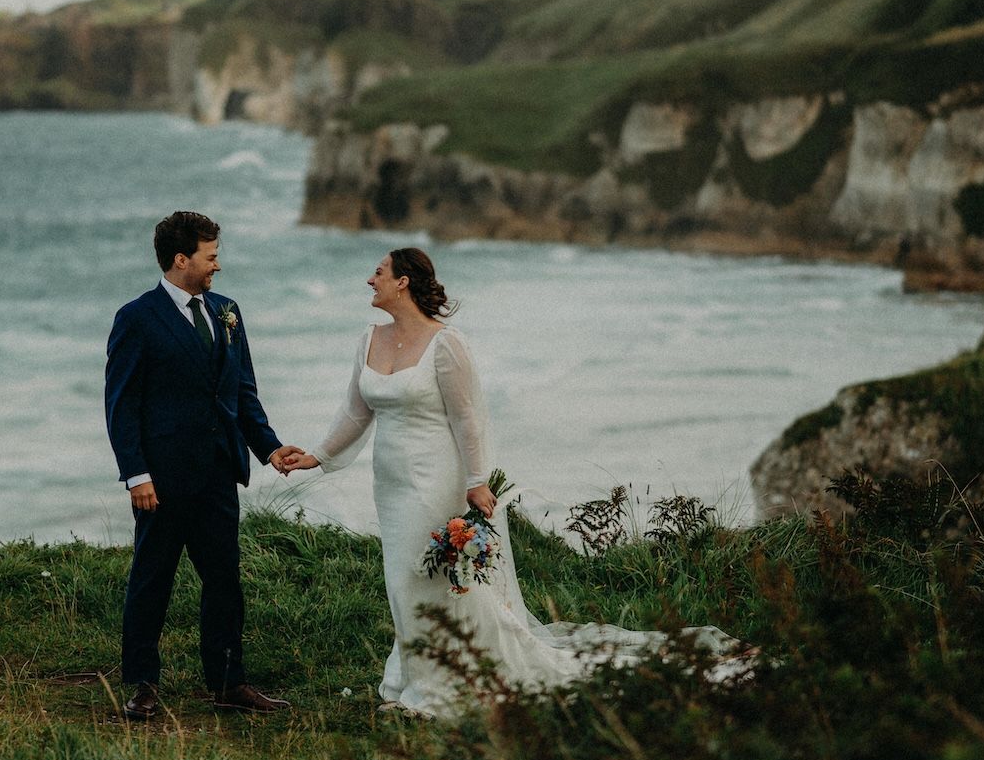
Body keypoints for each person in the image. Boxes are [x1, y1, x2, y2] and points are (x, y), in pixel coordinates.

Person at [279, 246, 745, 717]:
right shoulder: (370, 339)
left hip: (436, 480)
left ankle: (449, 682)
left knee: (437, 577)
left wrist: (478, 482)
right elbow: (355, 413)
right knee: (401, 579)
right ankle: (413, 674)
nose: (369, 280)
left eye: (377, 272)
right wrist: (315, 457)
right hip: (392, 482)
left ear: (403, 282)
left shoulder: (446, 344)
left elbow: (468, 420)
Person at [104, 210, 306, 721]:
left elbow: (242, 393)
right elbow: (121, 403)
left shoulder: (227, 311)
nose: (218, 265)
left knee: (225, 580)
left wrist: (269, 448)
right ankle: (143, 685)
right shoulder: (136, 317)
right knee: (152, 579)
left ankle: (228, 682)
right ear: (181, 259)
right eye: (210, 256)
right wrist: (137, 474)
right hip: (162, 481)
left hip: (219, 472)